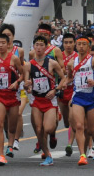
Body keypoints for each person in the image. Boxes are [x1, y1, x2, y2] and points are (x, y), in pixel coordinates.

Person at [65, 33, 94, 166]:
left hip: (91, 98)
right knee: (79, 126)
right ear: (75, 46)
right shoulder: (72, 63)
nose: (81, 47)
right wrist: (63, 82)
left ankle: (87, 149)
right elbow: (69, 78)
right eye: (79, 44)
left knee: (91, 130)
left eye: (84, 44)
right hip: (78, 97)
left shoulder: (93, 61)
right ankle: (82, 155)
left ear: (88, 47)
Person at [25, 35, 65, 167]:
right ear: (33, 47)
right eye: (36, 45)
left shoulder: (52, 63)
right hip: (37, 99)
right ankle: (48, 155)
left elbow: (63, 78)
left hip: (50, 100)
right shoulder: (29, 65)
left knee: (48, 128)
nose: (39, 48)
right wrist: (28, 85)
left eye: (42, 45)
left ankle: (53, 132)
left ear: (46, 47)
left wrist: (56, 90)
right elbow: (26, 81)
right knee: (38, 128)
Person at [0, 33, 23, 165]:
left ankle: (11, 145)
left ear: (8, 44)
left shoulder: (14, 59)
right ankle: (1, 155)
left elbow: (23, 73)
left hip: (12, 96)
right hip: (0, 96)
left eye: (3, 43)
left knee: (11, 127)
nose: (0, 45)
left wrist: (17, 82)